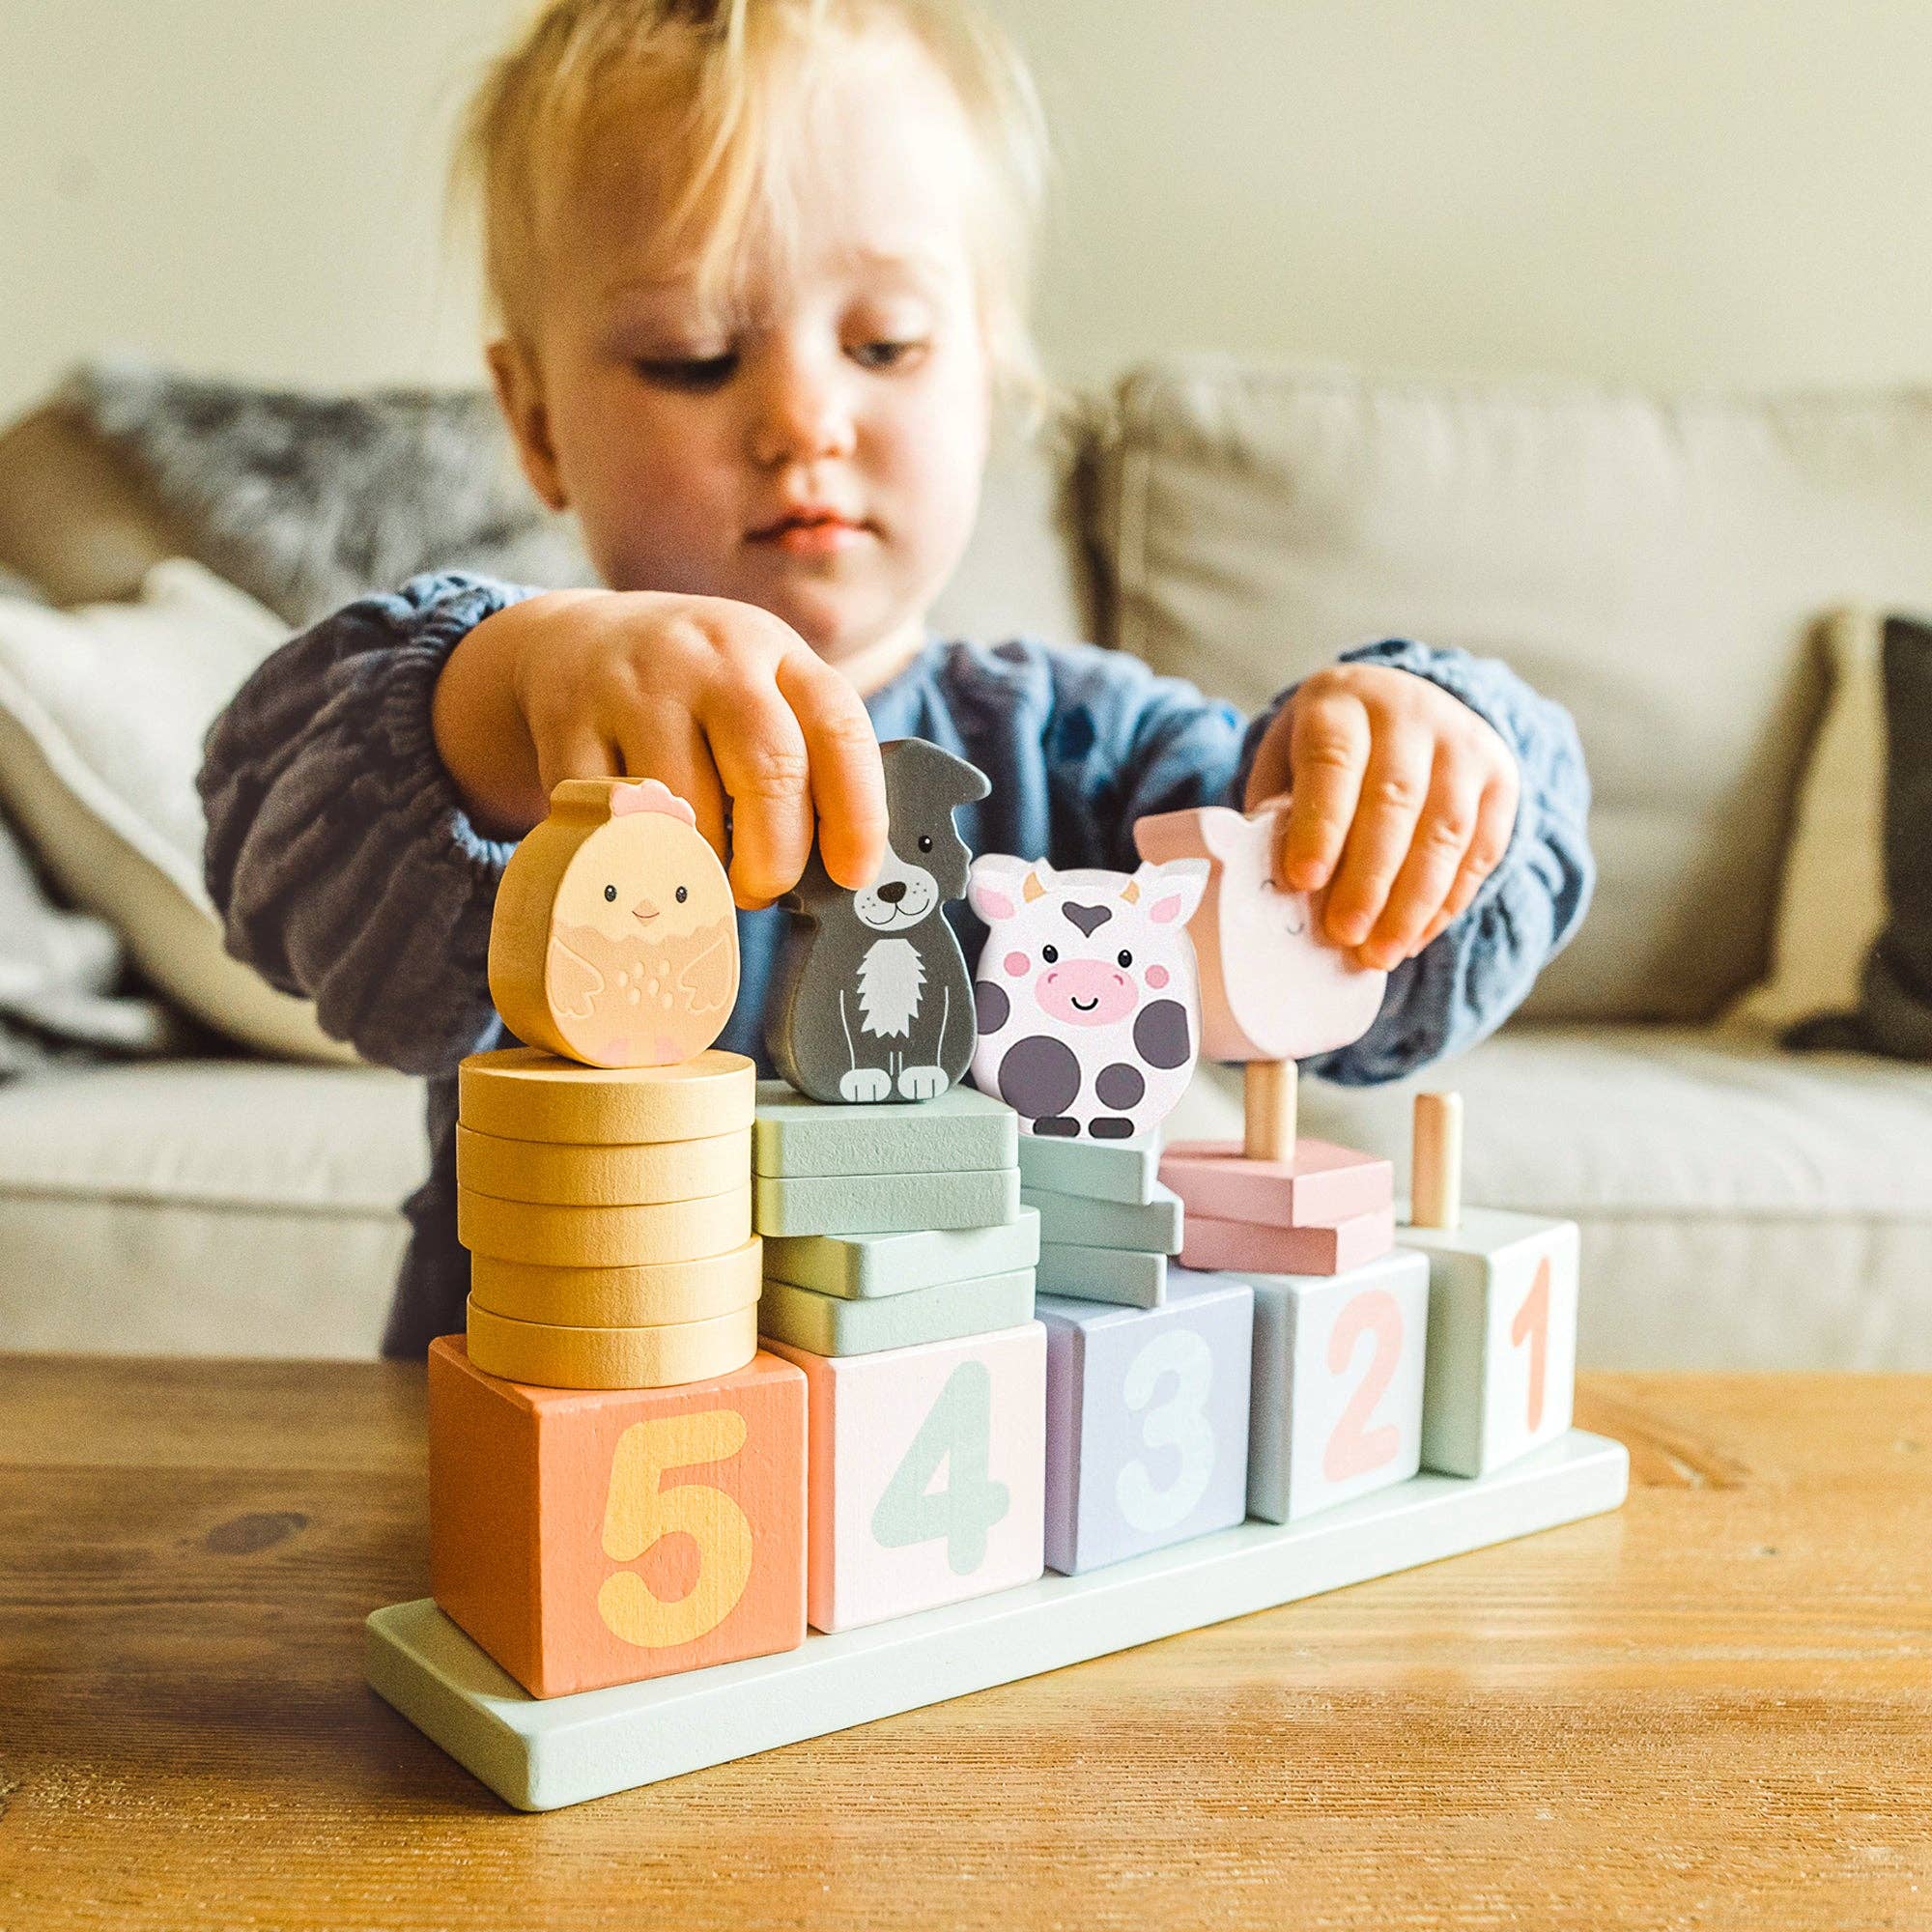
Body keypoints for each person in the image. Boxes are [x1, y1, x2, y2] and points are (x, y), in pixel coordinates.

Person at [199, 0, 1593, 1357]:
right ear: (537, 422)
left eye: (884, 347)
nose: (804, 417)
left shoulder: (1090, 758)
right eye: (693, 356)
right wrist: (502, 695)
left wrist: (1438, 754)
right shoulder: (533, 735)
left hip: (1005, 1494)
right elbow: (281, 866)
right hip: (551, 1484)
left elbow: (1382, 997)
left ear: (989, 380)